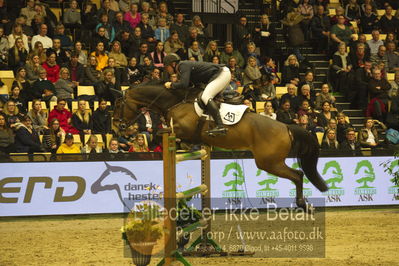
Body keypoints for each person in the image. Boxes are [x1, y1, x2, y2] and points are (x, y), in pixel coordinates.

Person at [163, 53, 231, 136]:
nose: (167, 70)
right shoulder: (182, 69)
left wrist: (171, 85)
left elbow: (184, 84)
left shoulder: (183, 65)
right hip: (221, 74)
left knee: (206, 96)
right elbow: (193, 86)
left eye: (167, 67)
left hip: (222, 73)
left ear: (173, 64)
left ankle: (220, 126)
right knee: (206, 96)